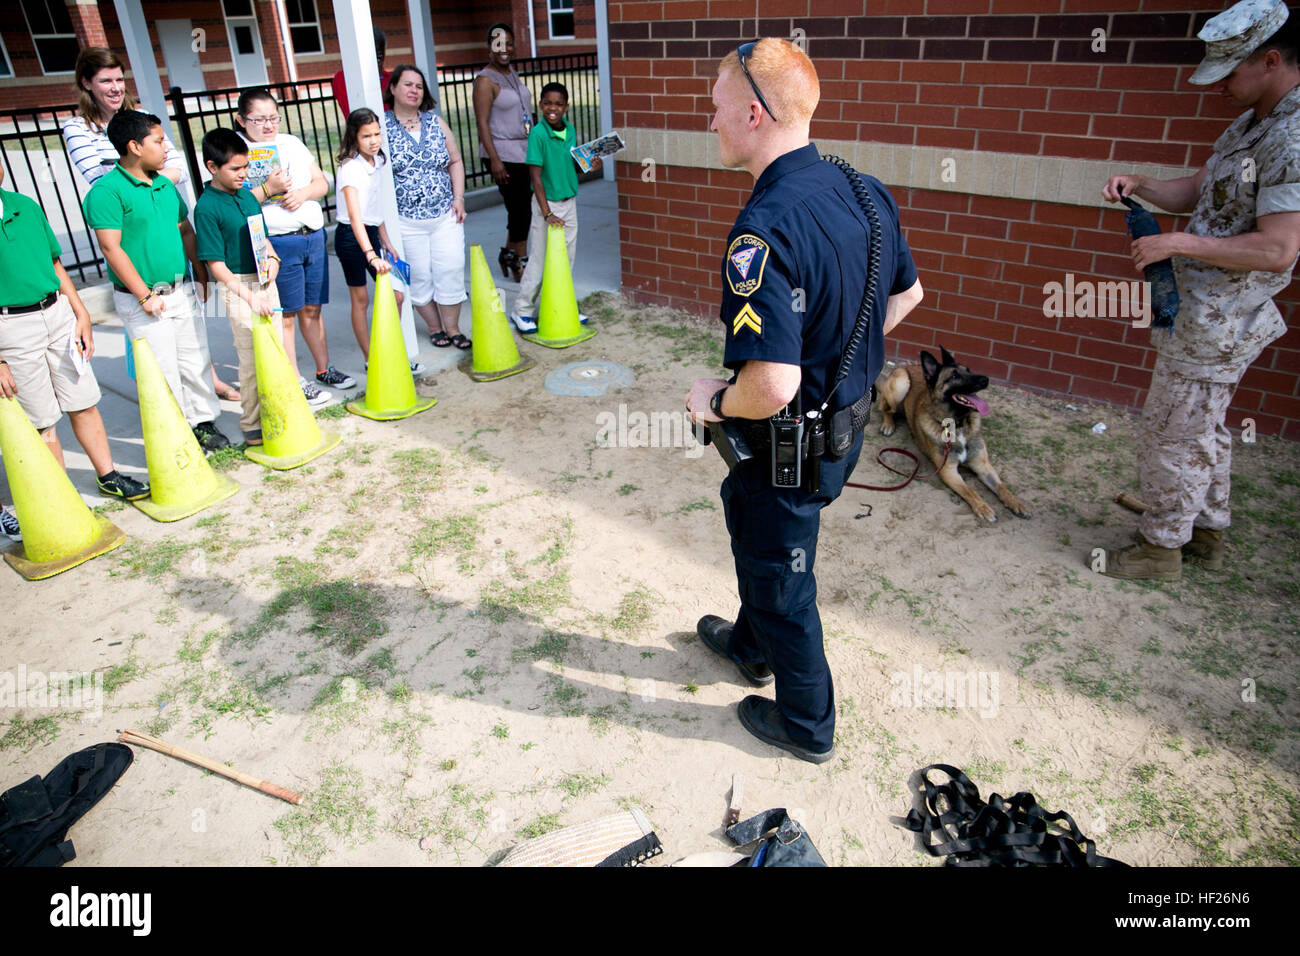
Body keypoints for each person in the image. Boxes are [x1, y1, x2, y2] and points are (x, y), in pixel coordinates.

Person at [685, 39, 923, 764]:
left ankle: (807, 726)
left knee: (782, 576)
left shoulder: (763, 231)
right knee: (753, 529)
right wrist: (839, 357)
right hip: (838, 433)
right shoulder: (863, 189)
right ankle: (751, 648)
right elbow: (907, 295)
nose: (712, 123)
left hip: (790, 439)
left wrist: (716, 400)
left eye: (718, 110)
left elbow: (774, 385)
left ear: (754, 113)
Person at [1099, 0, 1300, 582]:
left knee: (1171, 430)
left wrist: (1178, 245)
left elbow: (1278, 248)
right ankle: (1204, 530)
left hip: (1222, 321)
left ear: (1269, 59)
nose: (1220, 87)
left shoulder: (1290, 139)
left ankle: (1160, 549)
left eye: (1230, 73)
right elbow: (1201, 191)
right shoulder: (1253, 121)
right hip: (1202, 312)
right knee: (1202, 426)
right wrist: (1143, 185)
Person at [62, 46, 239, 404]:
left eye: (118, 79)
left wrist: (151, 178)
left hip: (163, 229)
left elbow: (173, 166)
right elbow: (99, 178)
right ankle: (169, 407)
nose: (114, 87)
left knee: (190, 342)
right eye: (105, 80)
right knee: (154, 352)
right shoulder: (78, 129)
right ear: (86, 84)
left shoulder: (144, 118)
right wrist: (147, 177)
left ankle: (204, 397)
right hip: (132, 241)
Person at [0, 162, 149, 505]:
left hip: (57, 313)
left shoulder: (25, 206)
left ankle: (108, 477)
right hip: (10, 328)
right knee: (42, 420)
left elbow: (55, 264)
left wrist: (80, 312)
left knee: (83, 401)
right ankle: (62, 501)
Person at [83, 111, 231, 452]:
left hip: (181, 289)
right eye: (159, 140)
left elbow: (184, 228)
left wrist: (200, 271)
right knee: (162, 368)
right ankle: (175, 434)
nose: (166, 147)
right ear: (134, 146)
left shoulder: (165, 184)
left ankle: (203, 422)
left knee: (195, 358)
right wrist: (144, 295)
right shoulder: (107, 191)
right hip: (145, 299)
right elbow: (110, 246)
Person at [235, 88, 354, 405]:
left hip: (311, 234)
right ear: (241, 120)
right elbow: (237, 202)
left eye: (273, 117)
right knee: (286, 313)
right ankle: (294, 378)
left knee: (313, 308)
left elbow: (322, 182)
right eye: (258, 119)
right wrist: (267, 189)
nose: (268, 125)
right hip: (275, 241)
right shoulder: (238, 153)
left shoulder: (291, 143)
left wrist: (302, 194)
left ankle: (322, 368)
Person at [194, 129, 280, 447]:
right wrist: (250, 298)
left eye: (245, 167)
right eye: (234, 169)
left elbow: (264, 238)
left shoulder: (246, 195)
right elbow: (216, 266)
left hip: (264, 278)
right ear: (212, 167)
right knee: (251, 358)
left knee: (275, 350)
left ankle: (279, 411)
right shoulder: (206, 208)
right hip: (238, 286)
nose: (243, 174)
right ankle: (252, 423)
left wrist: (274, 260)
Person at [384, 64, 470, 350]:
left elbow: (455, 160)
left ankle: (454, 328)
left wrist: (458, 198)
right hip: (405, 221)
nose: (414, 91)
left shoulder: (435, 123)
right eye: (407, 84)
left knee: (451, 269)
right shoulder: (381, 128)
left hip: (445, 215)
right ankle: (435, 328)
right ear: (393, 88)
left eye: (419, 87)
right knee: (419, 276)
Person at [333, 108, 424, 374]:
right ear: (354, 137)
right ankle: (371, 359)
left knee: (396, 295)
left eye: (376, 134)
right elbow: (355, 216)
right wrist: (371, 254)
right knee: (360, 300)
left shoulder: (378, 161)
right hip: (351, 237)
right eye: (366, 136)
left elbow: (376, 206)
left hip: (371, 233)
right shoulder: (350, 168)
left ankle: (391, 352)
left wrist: (386, 241)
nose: (374, 141)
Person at [508, 82, 598, 332]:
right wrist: (546, 213)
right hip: (546, 207)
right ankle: (522, 311)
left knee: (566, 260)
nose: (552, 108)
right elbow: (535, 178)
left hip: (569, 203)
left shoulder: (570, 129)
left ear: (566, 107)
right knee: (539, 260)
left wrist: (591, 164)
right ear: (540, 105)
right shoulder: (538, 134)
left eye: (558, 104)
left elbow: (573, 165)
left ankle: (561, 304)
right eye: (548, 103)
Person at [473, 22, 533, 281]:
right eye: (498, 43)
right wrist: (495, 160)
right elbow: (481, 123)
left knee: (520, 207)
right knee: (522, 210)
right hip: (502, 155)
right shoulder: (485, 80)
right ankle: (521, 262)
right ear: (489, 46)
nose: (504, 48)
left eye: (509, 43)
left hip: (523, 152)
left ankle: (508, 254)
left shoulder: (512, 73)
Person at [332, 27, 389, 118]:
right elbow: (356, 111)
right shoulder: (343, 78)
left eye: (379, 56)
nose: (374, 61)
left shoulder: (391, 79)